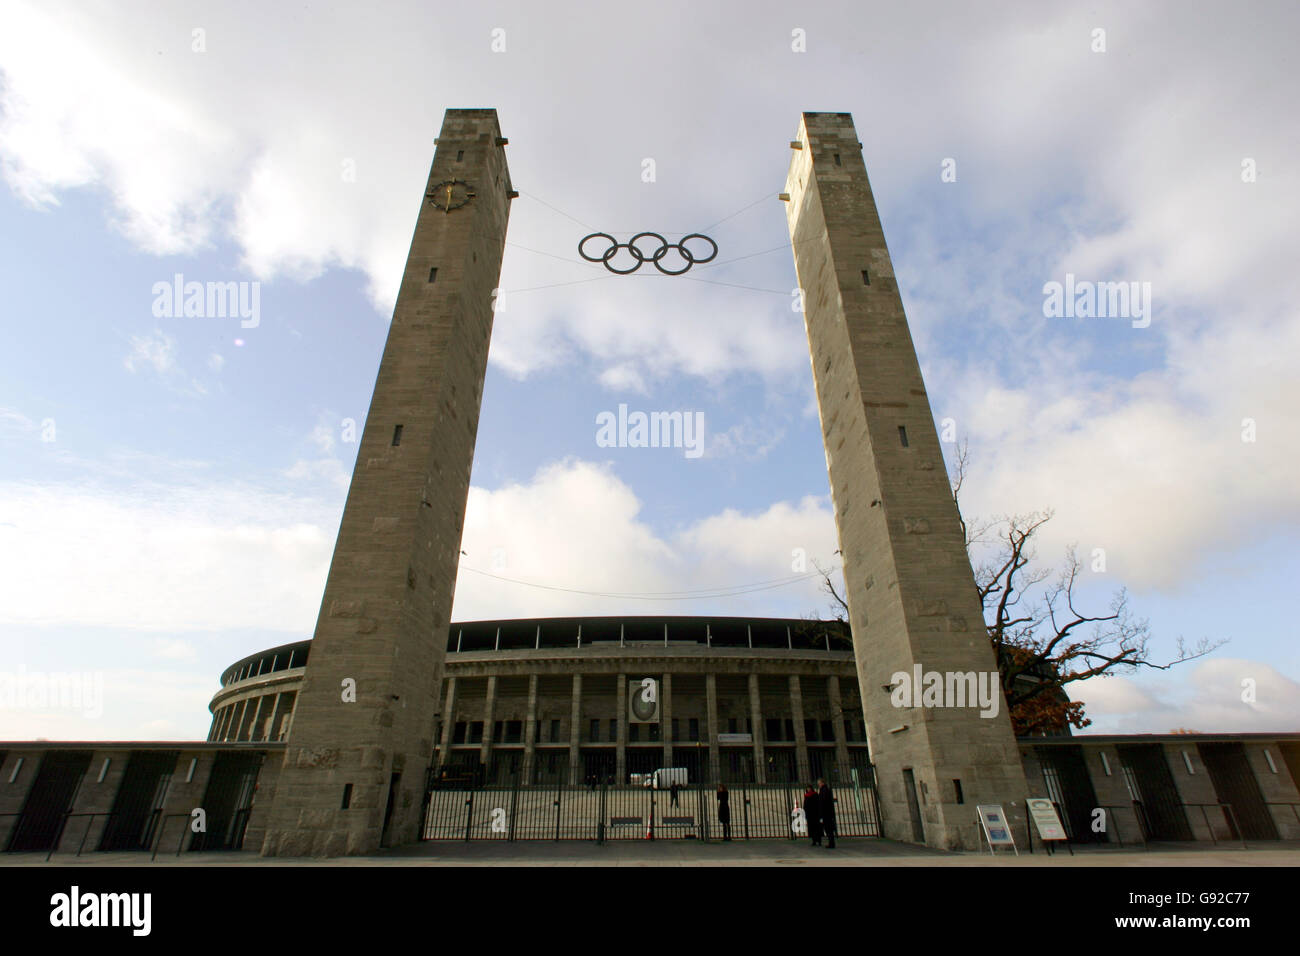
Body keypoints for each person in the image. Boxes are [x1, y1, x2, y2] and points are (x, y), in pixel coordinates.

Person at [817, 777, 837, 849]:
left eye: (819, 783)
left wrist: (821, 813)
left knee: (828, 829)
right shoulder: (825, 790)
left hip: (826, 813)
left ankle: (831, 843)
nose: (818, 785)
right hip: (827, 813)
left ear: (822, 783)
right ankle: (831, 842)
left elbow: (823, 803)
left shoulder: (824, 790)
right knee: (828, 829)